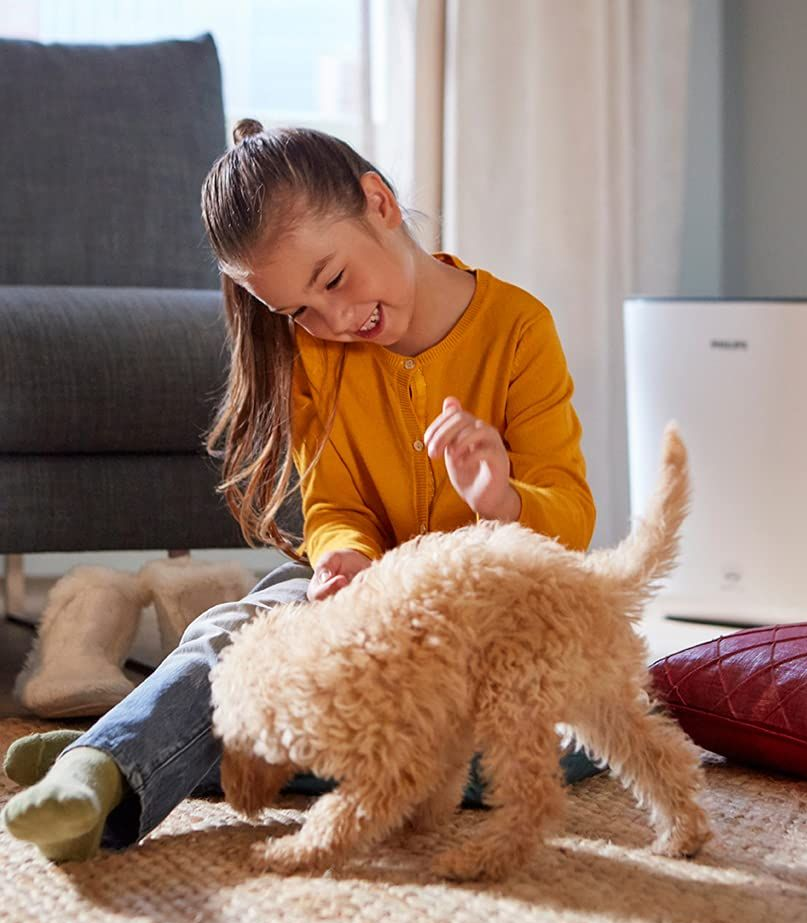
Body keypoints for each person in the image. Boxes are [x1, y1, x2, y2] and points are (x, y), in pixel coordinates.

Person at [2, 119, 600, 863]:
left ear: (378, 202)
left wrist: (500, 500)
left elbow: (571, 521)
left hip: (490, 625)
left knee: (528, 755)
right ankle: (104, 768)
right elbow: (334, 506)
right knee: (241, 630)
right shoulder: (322, 350)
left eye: (335, 280)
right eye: (301, 312)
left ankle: (145, 749)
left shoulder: (518, 330)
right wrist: (342, 560)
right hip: (367, 613)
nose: (336, 321)